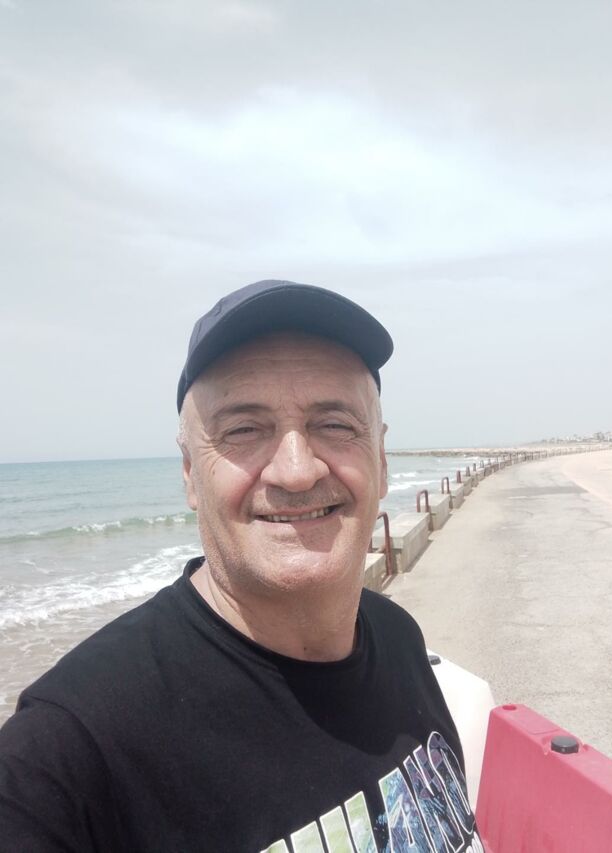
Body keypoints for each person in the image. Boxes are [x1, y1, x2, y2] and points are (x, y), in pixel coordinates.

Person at [0, 280, 484, 852]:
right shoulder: (67, 752)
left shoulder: (398, 637)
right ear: (190, 474)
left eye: (335, 424)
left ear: (379, 458)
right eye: (244, 430)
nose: (297, 471)